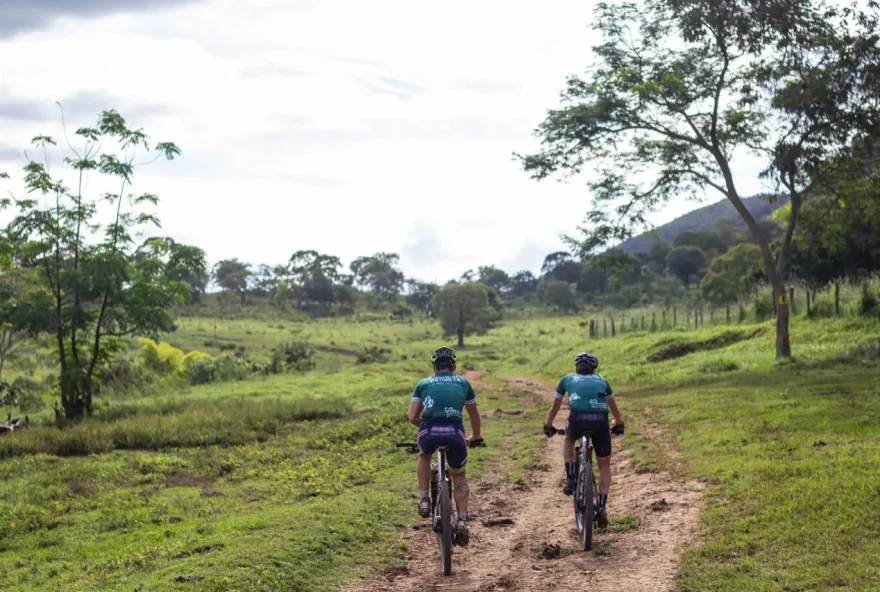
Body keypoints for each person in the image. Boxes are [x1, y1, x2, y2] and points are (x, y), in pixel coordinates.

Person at [409, 346, 482, 546]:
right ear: (454, 366)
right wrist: (476, 436)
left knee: (424, 454)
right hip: (455, 433)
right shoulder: (464, 383)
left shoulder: (423, 384)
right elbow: (474, 415)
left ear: (434, 367)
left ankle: (424, 498)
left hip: (429, 432)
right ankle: (462, 520)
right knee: (459, 477)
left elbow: (412, 417)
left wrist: (426, 427)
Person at [543, 352, 624, 527]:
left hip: (577, 420)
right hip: (601, 422)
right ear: (594, 368)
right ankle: (602, 506)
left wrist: (548, 424)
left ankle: (571, 478)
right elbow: (614, 408)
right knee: (604, 465)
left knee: (569, 439)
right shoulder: (602, 380)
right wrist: (619, 424)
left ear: (576, 368)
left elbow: (555, 405)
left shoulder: (567, 379)